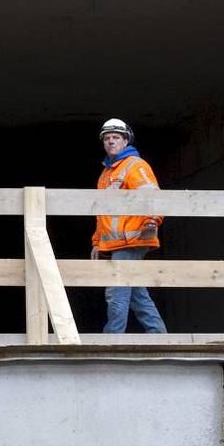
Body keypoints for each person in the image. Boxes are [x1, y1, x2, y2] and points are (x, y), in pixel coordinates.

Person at [90, 118, 167, 334]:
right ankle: (159, 336)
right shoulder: (106, 174)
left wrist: (152, 221)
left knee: (117, 290)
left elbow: (152, 195)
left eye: (115, 137)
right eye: (107, 138)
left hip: (133, 239)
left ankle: (112, 338)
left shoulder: (135, 165)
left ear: (126, 141)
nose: (111, 142)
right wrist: (97, 242)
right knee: (136, 294)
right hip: (117, 243)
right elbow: (102, 214)